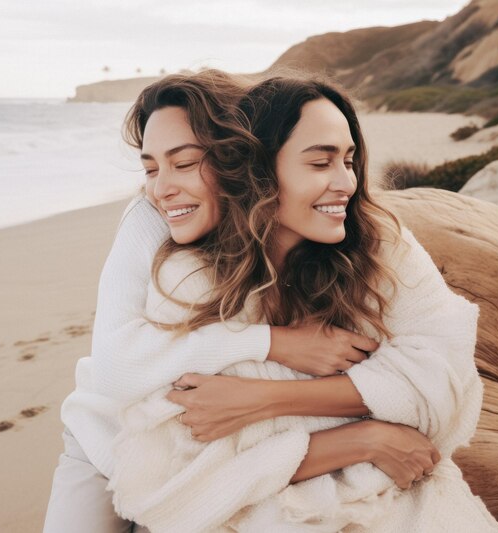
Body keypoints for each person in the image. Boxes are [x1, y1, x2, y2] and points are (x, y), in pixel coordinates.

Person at [43, 71, 442, 533]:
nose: (162, 187)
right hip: (107, 437)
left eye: (185, 162)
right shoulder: (150, 219)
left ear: (239, 159)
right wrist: (272, 343)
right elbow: (114, 369)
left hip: (207, 457)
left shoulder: (286, 232)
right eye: (151, 168)